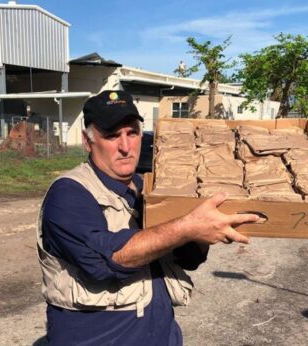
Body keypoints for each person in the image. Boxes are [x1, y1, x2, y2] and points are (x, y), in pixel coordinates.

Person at [36, 90, 259, 345]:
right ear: (88, 142)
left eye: (132, 132)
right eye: (111, 135)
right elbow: (107, 260)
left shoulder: (148, 187)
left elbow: (185, 259)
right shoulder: (69, 193)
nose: (125, 146)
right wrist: (187, 227)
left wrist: (205, 231)